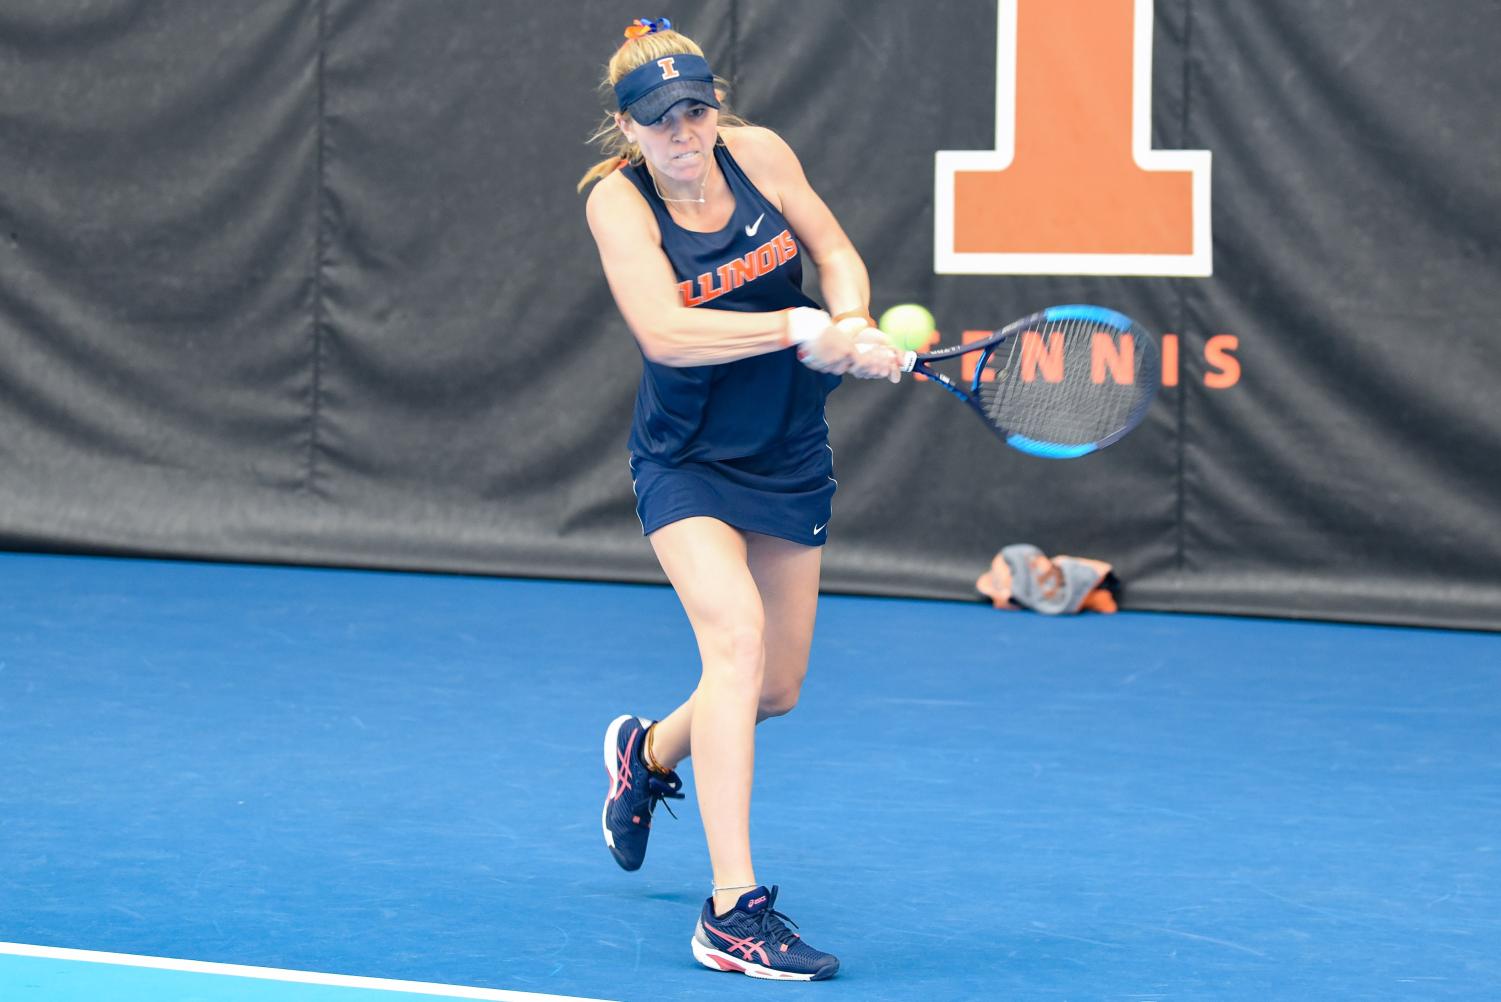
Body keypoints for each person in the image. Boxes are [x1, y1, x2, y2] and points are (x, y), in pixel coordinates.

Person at [579, 17, 901, 982]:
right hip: (684, 460)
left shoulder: (758, 154)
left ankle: (645, 755)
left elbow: (837, 252)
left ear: (714, 107)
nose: (681, 132)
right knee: (734, 643)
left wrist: (849, 320)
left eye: (693, 110)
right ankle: (732, 911)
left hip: (787, 449)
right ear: (626, 129)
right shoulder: (616, 203)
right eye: (656, 119)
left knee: (772, 688)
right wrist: (792, 326)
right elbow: (665, 332)